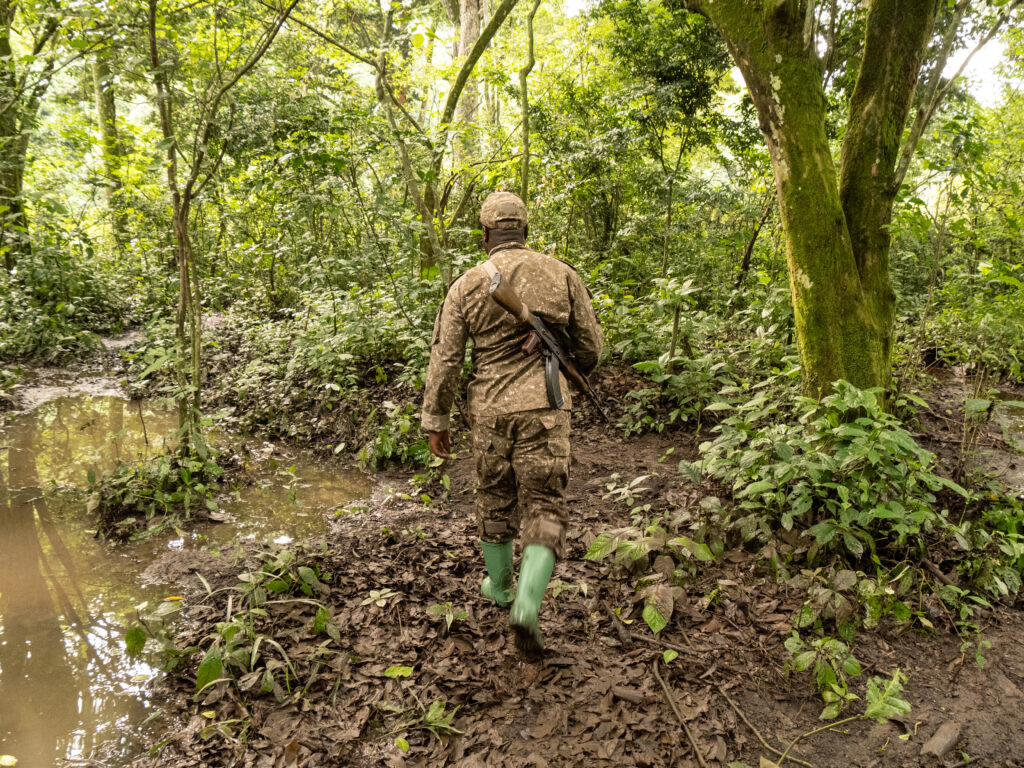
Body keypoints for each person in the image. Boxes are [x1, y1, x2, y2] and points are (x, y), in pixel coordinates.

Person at [421, 191, 603, 654]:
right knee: (545, 505)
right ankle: (527, 603)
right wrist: (566, 360)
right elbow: (593, 348)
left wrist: (435, 419)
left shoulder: (466, 284)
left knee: (495, 501)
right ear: (525, 229)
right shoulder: (561, 273)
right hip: (546, 407)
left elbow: (445, 359)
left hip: (489, 413)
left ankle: (500, 589)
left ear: (484, 235)